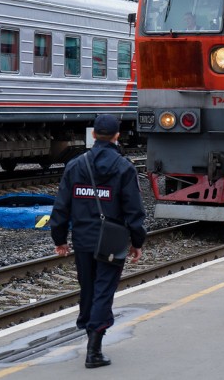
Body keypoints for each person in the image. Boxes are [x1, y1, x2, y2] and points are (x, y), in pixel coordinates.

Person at [50, 114, 146, 369]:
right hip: (112, 241)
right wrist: (137, 241)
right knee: (104, 290)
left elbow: (61, 206)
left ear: (93, 135)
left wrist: (59, 238)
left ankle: (91, 334)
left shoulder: (75, 165)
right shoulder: (125, 168)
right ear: (117, 136)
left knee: (88, 289)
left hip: (83, 238)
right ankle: (94, 348)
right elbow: (134, 210)